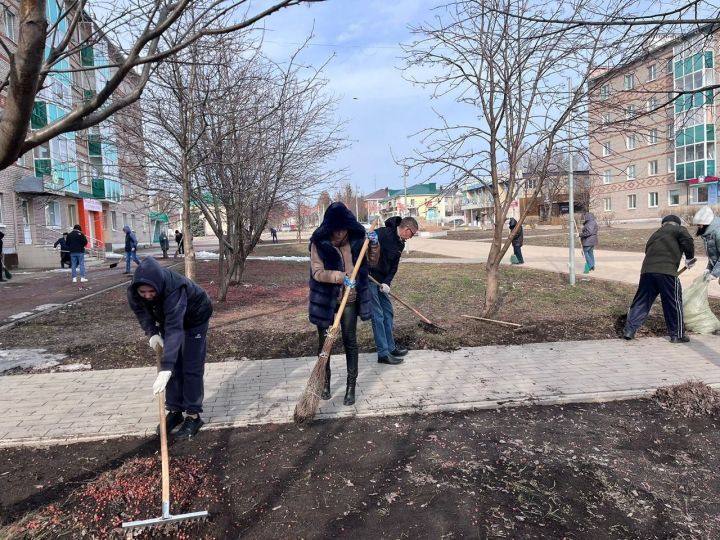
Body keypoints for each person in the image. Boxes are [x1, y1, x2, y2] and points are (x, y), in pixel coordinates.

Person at [128, 257, 213, 439]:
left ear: (158, 285)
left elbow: (175, 328)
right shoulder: (134, 292)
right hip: (170, 319)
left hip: (195, 317)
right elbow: (142, 313)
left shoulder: (174, 290)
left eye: (152, 291)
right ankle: (175, 411)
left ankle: (193, 415)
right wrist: (152, 332)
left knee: (192, 367)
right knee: (174, 369)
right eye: (144, 292)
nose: (148, 295)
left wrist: (165, 367)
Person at [309, 202, 380, 406]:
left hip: (349, 300)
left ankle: (350, 387)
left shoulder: (357, 241)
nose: (340, 234)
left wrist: (374, 245)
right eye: (336, 230)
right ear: (329, 228)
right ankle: (324, 384)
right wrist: (341, 277)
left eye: (343, 229)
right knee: (325, 345)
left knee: (350, 341)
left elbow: (372, 262)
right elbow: (317, 272)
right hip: (326, 302)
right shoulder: (319, 244)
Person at [623, 214, 695, 343]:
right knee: (673, 303)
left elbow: (648, 251)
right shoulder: (679, 229)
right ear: (676, 224)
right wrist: (689, 257)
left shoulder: (655, 235)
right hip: (667, 272)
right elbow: (688, 240)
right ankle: (677, 335)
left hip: (647, 272)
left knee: (641, 302)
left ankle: (629, 330)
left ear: (663, 224)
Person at [369, 216, 418, 365]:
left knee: (388, 312)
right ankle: (383, 353)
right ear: (406, 229)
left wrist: (387, 283)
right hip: (369, 278)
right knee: (377, 315)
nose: (411, 237)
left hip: (381, 283)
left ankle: (390, 348)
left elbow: (393, 267)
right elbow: (363, 248)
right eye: (412, 234)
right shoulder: (382, 233)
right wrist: (368, 238)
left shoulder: (400, 243)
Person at [693, 206, 720, 284]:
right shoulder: (708, 233)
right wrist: (709, 268)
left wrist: (714, 274)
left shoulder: (718, 233)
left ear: (706, 223)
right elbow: (714, 255)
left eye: (699, 225)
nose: (698, 227)